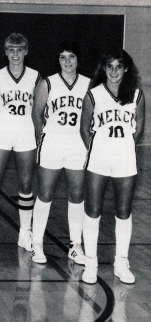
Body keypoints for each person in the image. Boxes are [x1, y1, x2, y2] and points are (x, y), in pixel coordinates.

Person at [80, 49, 145, 284]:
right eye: (110, 66)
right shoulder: (93, 95)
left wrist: (122, 147)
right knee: (93, 210)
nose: (114, 71)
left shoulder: (137, 95)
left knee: (123, 212)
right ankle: (90, 262)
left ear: (126, 68)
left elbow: (138, 130)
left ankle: (121, 262)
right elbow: (83, 128)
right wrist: (99, 148)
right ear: (103, 68)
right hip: (98, 159)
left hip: (125, 160)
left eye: (119, 66)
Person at [30, 41, 90, 264]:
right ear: (58, 60)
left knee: (77, 196)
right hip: (52, 144)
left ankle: (75, 245)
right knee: (45, 194)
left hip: (77, 145)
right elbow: (36, 114)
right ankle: (37, 244)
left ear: (78, 60)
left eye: (71, 57)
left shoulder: (88, 85)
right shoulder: (48, 83)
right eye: (63, 57)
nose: (67, 61)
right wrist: (42, 136)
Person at [0, 33, 40, 254]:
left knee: (25, 185)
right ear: (5, 52)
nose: (15, 54)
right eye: (11, 49)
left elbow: (38, 108)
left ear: (26, 51)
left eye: (19, 49)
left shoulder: (35, 77)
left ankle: (25, 233)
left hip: (25, 132)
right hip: (2, 132)